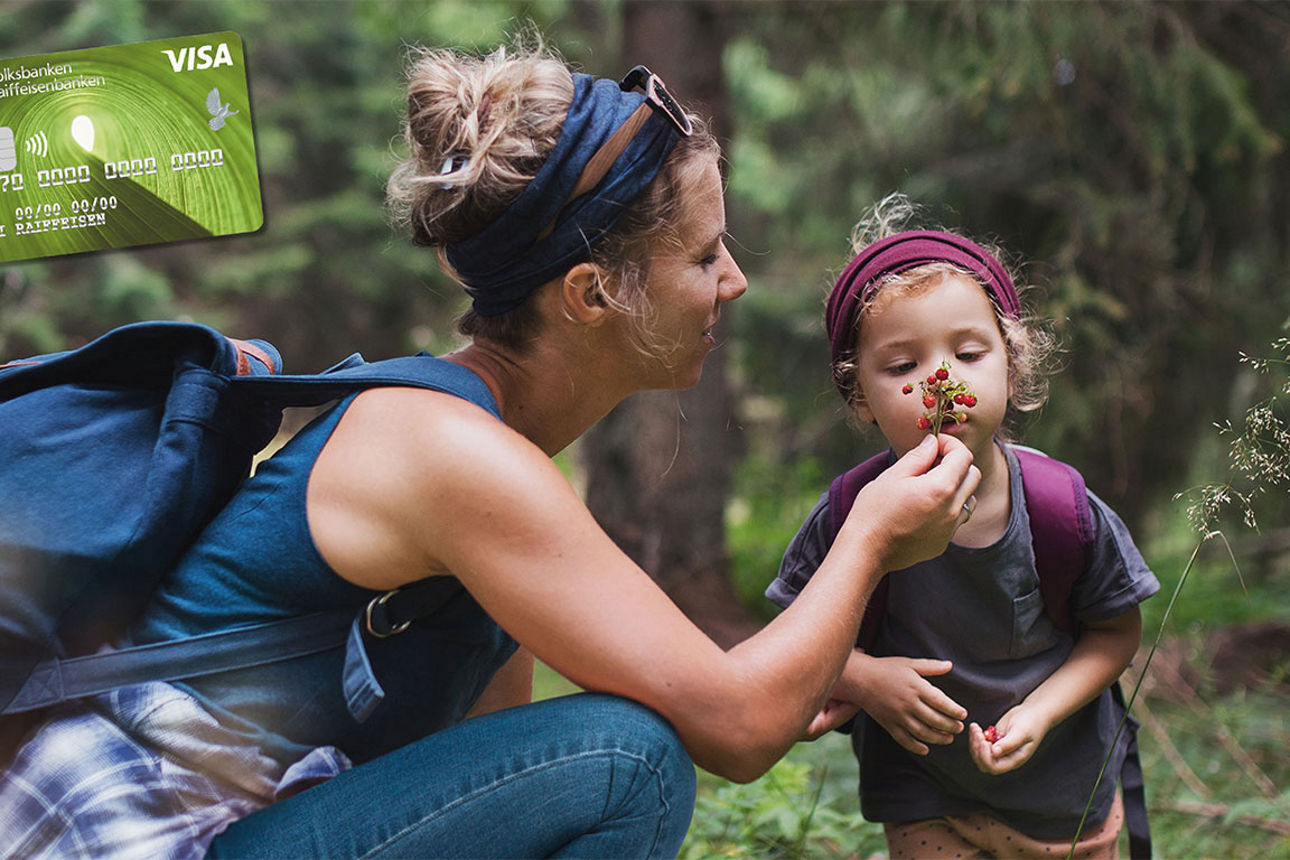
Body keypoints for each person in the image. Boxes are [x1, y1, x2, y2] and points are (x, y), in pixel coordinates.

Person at [0, 49, 979, 860]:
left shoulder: (486, 453)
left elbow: (490, 753)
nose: (736, 278)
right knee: (627, 760)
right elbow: (739, 728)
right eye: (701, 255)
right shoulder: (448, 452)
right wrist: (871, 533)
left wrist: (821, 668)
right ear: (593, 293)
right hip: (128, 836)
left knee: (613, 748)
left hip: (229, 828)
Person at [766, 196, 1160, 859]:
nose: (939, 382)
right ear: (858, 392)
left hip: (1063, 802)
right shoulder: (847, 515)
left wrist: (1039, 711)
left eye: (970, 352)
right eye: (901, 367)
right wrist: (864, 679)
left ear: (1013, 361)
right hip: (924, 798)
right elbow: (790, 636)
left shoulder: (1063, 508)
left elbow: (1116, 632)